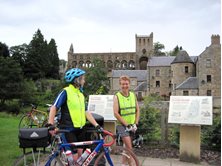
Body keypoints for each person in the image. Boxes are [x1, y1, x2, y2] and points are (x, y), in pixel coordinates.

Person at [47, 68, 102, 161]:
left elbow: (86, 112)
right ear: (77, 80)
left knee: (80, 158)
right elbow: (54, 107)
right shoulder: (66, 92)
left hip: (80, 129)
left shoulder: (80, 94)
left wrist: (96, 125)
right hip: (68, 129)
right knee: (75, 158)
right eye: (83, 79)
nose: (84, 81)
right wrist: (50, 125)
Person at [113, 75, 140, 165]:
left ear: (129, 84)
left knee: (126, 147)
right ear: (120, 85)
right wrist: (127, 125)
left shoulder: (133, 95)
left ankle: (123, 164)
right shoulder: (117, 96)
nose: (125, 86)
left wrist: (136, 123)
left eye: (126, 84)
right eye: (123, 84)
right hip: (122, 125)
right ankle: (132, 164)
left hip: (132, 125)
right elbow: (116, 113)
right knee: (129, 147)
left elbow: (137, 110)